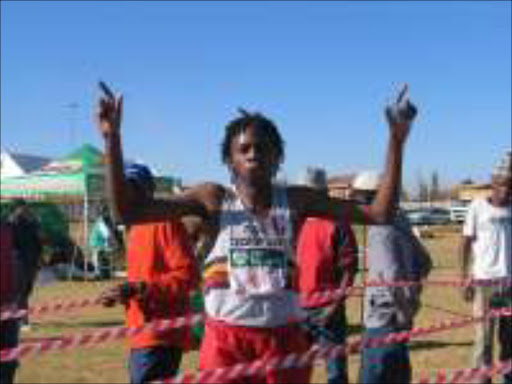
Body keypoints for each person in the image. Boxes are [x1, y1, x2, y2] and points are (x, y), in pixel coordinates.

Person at [96, 81, 416, 384]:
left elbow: (380, 212)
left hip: (285, 340)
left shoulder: (295, 201)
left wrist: (396, 142)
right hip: (226, 342)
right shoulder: (213, 199)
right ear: (230, 160)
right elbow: (128, 212)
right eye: (243, 148)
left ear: (277, 157)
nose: (253, 154)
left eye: (262, 148)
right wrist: (112, 140)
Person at [97, 163, 199, 384]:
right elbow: (141, 278)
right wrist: (122, 294)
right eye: (124, 189)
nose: (128, 195)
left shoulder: (165, 222)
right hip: (140, 331)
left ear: (149, 191)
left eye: (135, 188)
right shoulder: (133, 226)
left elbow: (188, 275)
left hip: (161, 334)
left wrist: (141, 289)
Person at [352, 170, 432, 384]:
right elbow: (425, 262)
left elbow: (391, 277)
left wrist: (403, 309)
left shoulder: (380, 228)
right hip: (398, 323)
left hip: (383, 321)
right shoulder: (401, 219)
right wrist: (411, 299)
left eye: (359, 199)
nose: (357, 206)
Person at [295, 167, 358, 384]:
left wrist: (334, 306)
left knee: (336, 374)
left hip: (328, 311)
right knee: (295, 372)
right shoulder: (294, 223)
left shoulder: (338, 223)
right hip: (296, 310)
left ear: (322, 193)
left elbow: (349, 270)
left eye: (309, 192)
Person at [460, 150, 511, 384]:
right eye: (502, 185)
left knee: (509, 340)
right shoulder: (477, 207)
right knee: (484, 341)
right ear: (493, 183)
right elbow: (465, 244)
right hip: (484, 284)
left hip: (509, 284)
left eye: (510, 186)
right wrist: (464, 277)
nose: (506, 190)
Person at [7, 199, 43, 331]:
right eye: (22, 207)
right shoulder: (9, 224)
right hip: (18, 263)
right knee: (20, 293)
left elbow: (38, 242)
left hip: (31, 262)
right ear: (15, 208)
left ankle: (19, 319)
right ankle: (23, 322)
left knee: (27, 292)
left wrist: (39, 259)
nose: (25, 209)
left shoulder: (31, 223)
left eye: (25, 207)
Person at [0, 219, 22, 384]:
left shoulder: (7, 228)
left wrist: (13, 298)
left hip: (8, 303)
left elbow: (14, 261)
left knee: (9, 360)